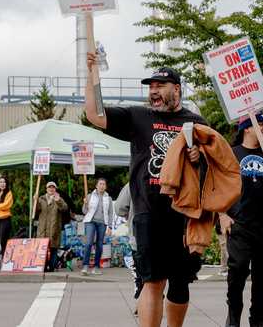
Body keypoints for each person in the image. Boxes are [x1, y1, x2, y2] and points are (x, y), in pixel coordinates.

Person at [84, 57, 206, 327]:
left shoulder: (196, 122)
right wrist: (91, 75)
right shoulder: (137, 116)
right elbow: (94, 115)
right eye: (151, 86)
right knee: (152, 281)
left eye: (160, 85)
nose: (153, 91)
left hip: (183, 214)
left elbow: (212, 169)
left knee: (179, 282)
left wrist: (199, 157)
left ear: (177, 89)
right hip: (148, 214)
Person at [221, 112, 263, 327]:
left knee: (262, 277)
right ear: (247, 128)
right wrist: (221, 215)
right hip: (239, 224)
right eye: (260, 124)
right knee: (237, 272)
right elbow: (217, 187)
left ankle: (257, 317)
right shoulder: (231, 154)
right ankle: (233, 317)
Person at [115, 184, 143, 313]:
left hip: (139, 234)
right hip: (165, 237)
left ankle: (141, 302)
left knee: (140, 275)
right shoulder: (170, 174)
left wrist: (129, 213)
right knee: (159, 278)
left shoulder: (134, 181)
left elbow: (120, 208)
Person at [81, 178, 114, 275]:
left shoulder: (108, 198)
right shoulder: (90, 196)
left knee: (99, 245)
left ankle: (96, 267)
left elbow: (111, 213)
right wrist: (85, 204)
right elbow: (84, 211)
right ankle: (85, 266)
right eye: (100, 184)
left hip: (102, 223)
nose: (102, 186)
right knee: (89, 243)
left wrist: (110, 226)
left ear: (105, 186)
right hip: (90, 221)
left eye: (104, 184)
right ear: (96, 185)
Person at [36, 181, 68, 272]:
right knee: (43, 249)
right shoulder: (41, 199)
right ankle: (43, 266)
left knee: (53, 248)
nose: (51, 189)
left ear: (55, 189)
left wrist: (58, 201)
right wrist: (34, 200)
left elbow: (65, 208)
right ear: (46, 189)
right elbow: (35, 211)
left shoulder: (59, 198)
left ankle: (52, 267)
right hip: (43, 228)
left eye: (53, 187)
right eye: (49, 187)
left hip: (54, 228)